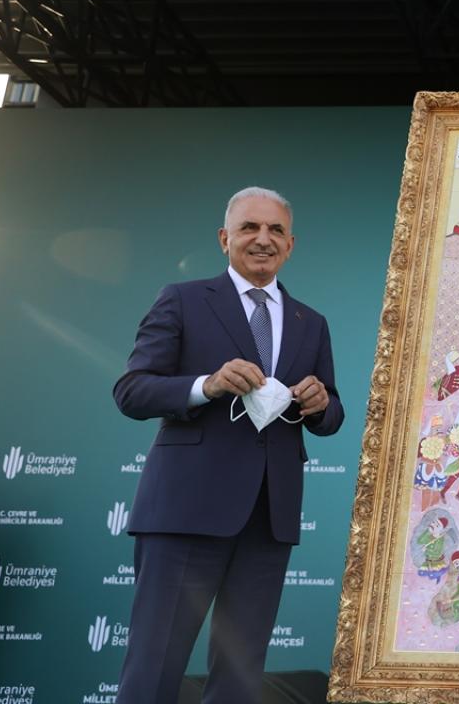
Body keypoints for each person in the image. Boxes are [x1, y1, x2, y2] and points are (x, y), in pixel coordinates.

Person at [112, 186, 344, 703]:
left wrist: (319, 402)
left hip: (268, 519)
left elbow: (332, 415)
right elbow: (132, 391)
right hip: (184, 514)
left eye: (276, 230)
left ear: (290, 244)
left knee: (240, 678)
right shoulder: (183, 299)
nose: (263, 239)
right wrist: (207, 385)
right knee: (154, 666)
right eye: (249, 228)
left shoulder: (311, 322)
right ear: (224, 238)